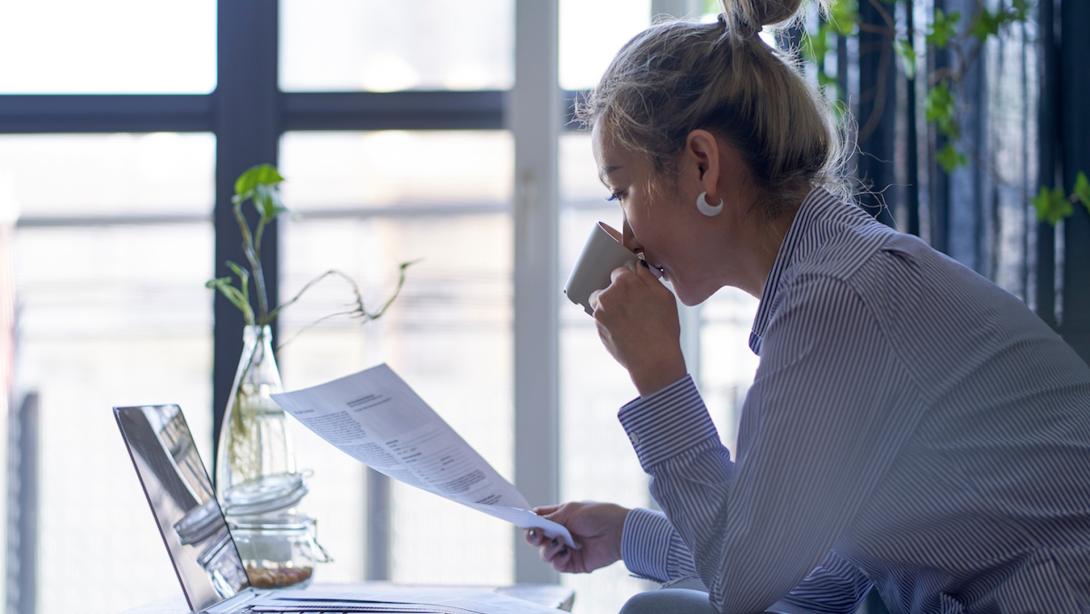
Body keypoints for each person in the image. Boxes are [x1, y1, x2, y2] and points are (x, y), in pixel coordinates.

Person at [523, 0, 1090, 612]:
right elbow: (815, 576)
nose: (624, 235)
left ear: (703, 166)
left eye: (623, 190)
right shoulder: (830, 274)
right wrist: (629, 534)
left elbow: (743, 583)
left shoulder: (838, 295)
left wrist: (659, 375)